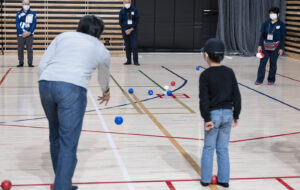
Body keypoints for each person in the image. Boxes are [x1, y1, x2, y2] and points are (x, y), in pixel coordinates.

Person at [38, 15, 110, 190]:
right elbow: (103, 76)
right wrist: (106, 91)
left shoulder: (63, 36)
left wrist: (47, 82)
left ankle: (62, 182)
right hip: (72, 90)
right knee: (68, 143)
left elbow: (43, 65)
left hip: (46, 85)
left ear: (79, 26)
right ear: (99, 32)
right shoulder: (101, 49)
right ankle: (62, 186)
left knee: (55, 135)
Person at [199, 38, 241, 188]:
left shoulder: (205, 75)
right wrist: (236, 115)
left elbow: (203, 100)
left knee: (209, 148)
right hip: (228, 115)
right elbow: (236, 95)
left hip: (213, 116)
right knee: (223, 148)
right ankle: (224, 180)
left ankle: (205, 179)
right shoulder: (229, 72)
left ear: (206, 55)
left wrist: (206, 118)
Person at [255, 7, 286, 86]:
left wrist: (281, 48)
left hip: (276, 47)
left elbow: (282, 37)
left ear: (278, 14)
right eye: (271, 13)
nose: (272, 15)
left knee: (273, 64)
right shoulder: (266, 23)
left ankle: (271, 80)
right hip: (265, 47)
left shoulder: (281, 24)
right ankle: (259, 79)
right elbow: (262, 35)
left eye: (274, 13)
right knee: (262, 64)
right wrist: (259, 45)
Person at [119, 0, 140, 66]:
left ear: (130, 3)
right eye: (126, 2)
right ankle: (128, 61)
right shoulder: (122, 11)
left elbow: (137, 20)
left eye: (128, 2)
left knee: (134, 45)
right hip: (125, 31)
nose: (127, 3)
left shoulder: (134, 10)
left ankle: (136, 61)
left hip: (133, 31)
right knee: (127, 46)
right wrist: (125, 30)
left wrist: (131, 29)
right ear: (124, 3)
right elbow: (120, 22)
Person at [16, 0, 36, 67]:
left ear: (29, 4)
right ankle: (21, 63)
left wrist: (29, 32)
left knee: (29, 49)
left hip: (29, 35)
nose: (26, 5)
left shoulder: (33, 13)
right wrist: (22, 32)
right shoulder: (18, 14)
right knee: (20, 49)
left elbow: (34, 24)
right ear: (22, 4)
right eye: (25, 4)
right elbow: (17, 24)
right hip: (20, 34)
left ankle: (30, 63)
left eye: (27, 4)